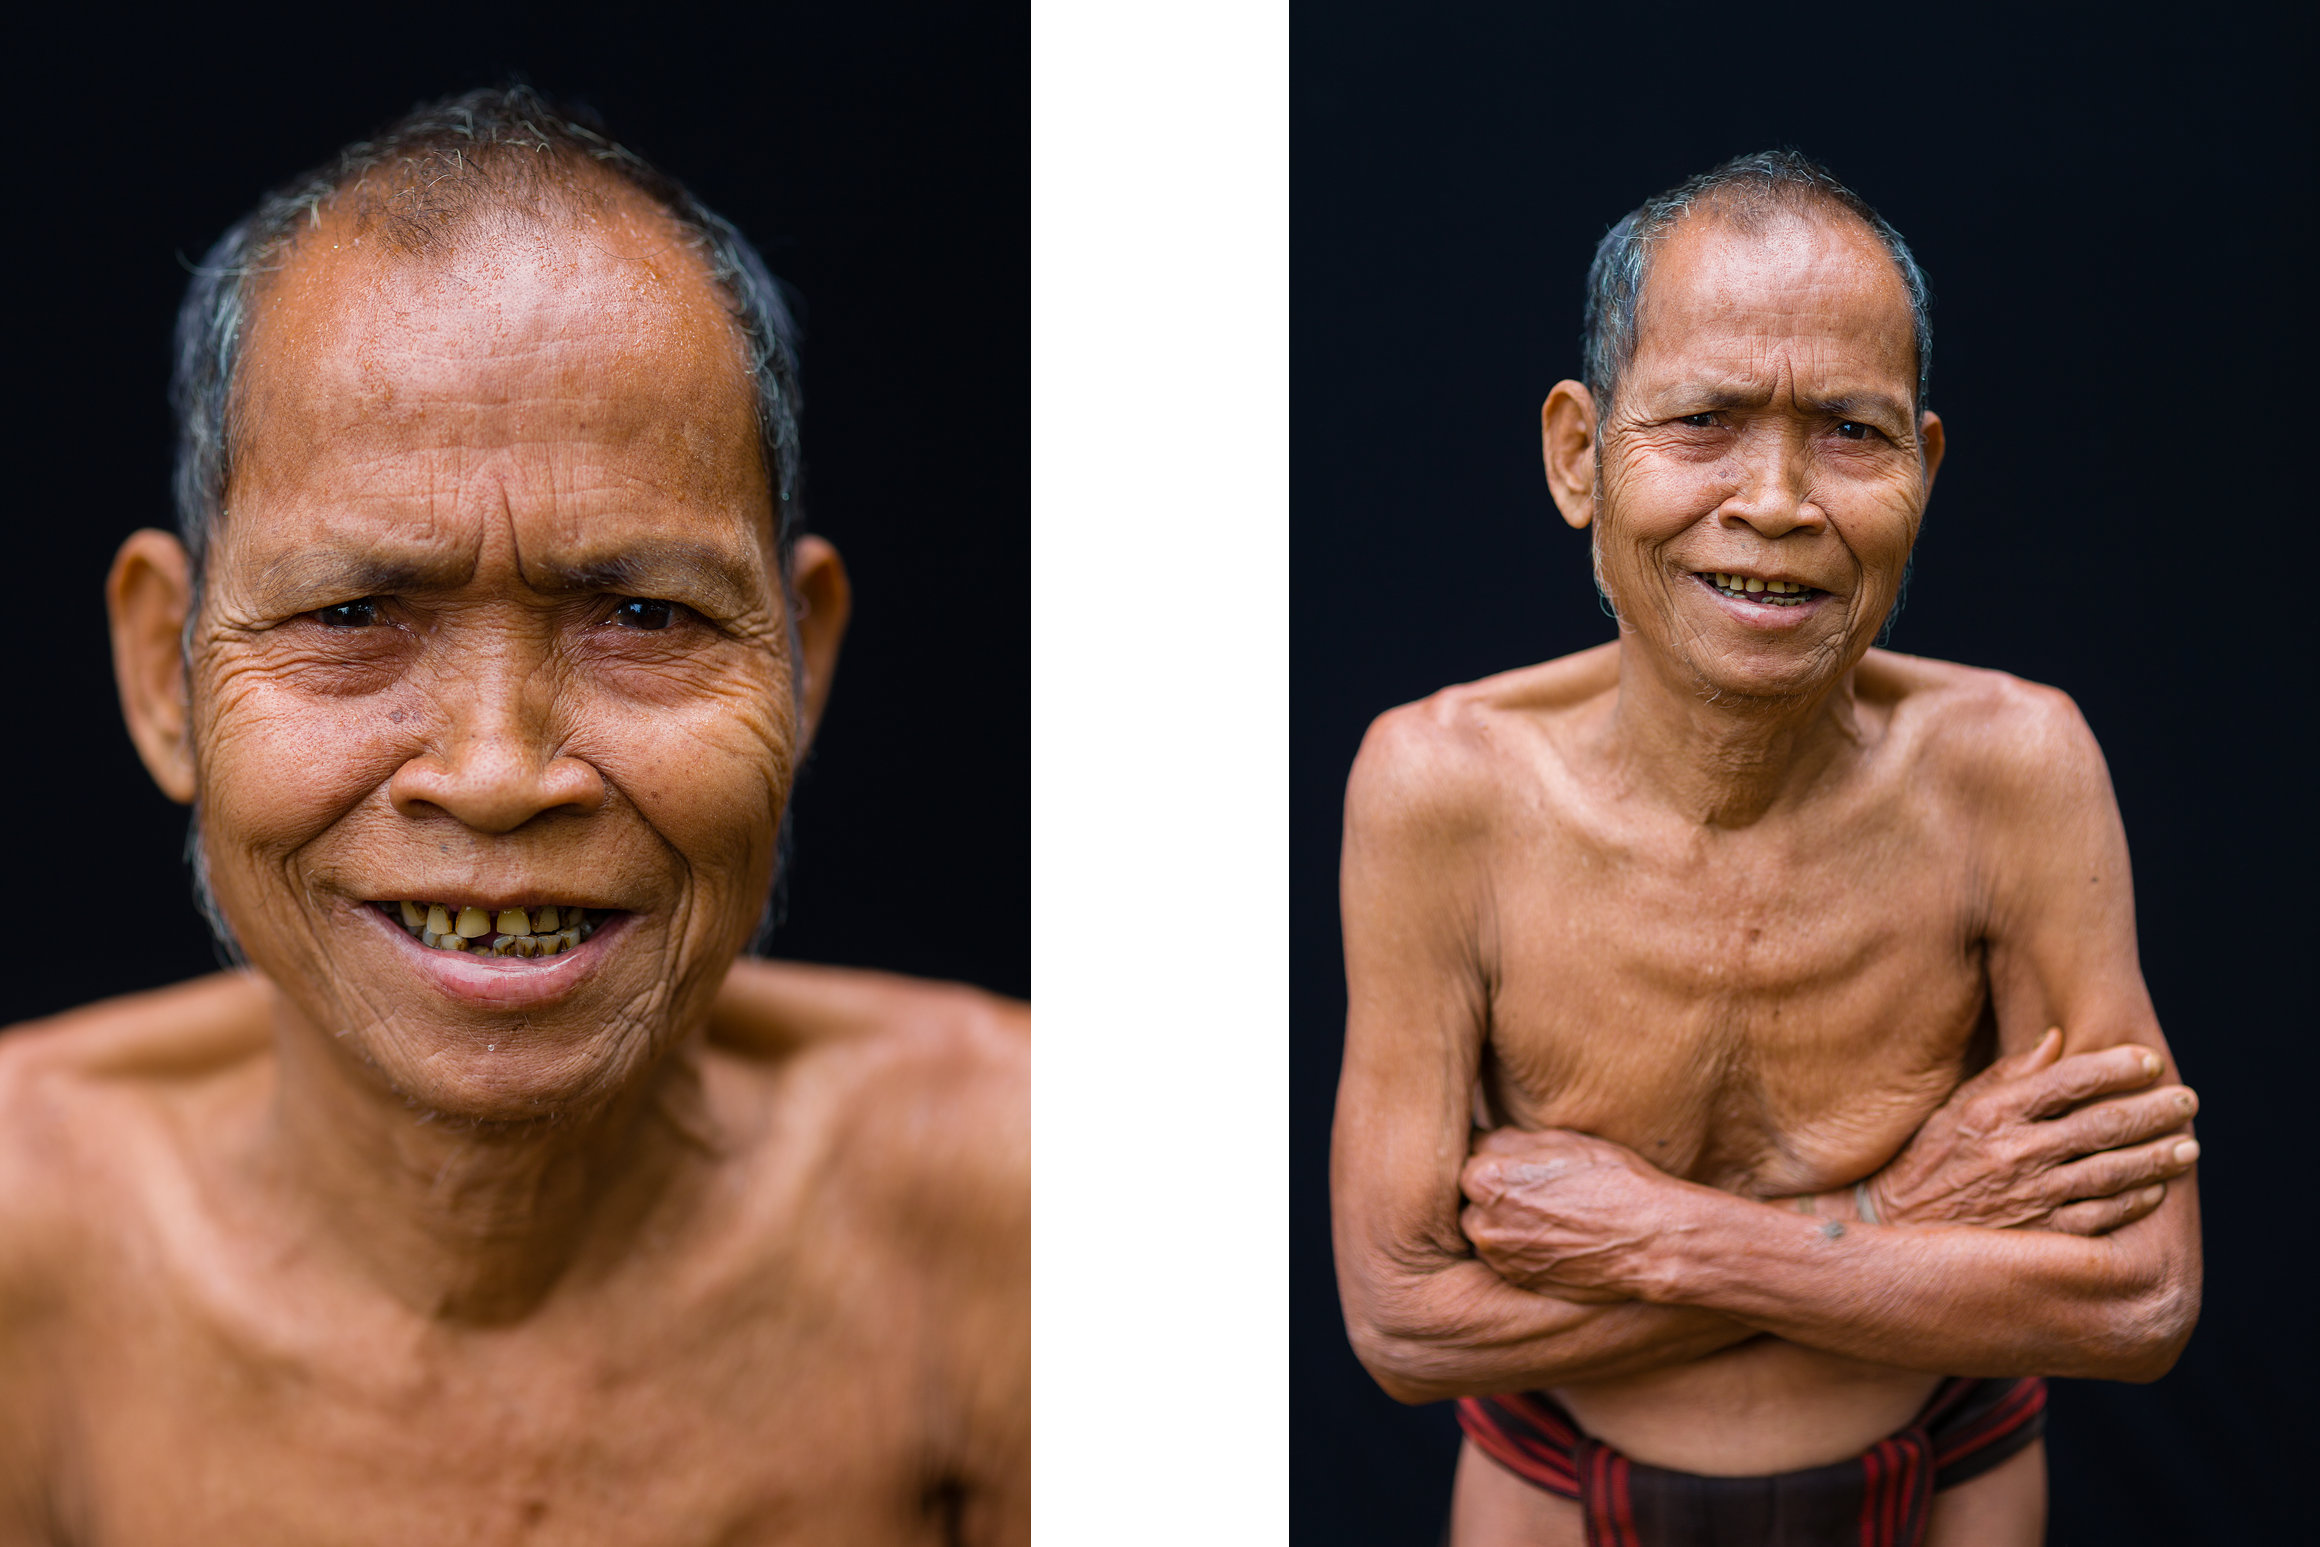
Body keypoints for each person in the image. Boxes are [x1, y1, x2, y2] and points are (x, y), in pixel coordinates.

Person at [0, 88, 1025, 1545]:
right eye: (353, 613)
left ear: (802, 666)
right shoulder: (24, 1259)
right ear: (165, 672)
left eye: (644, 614)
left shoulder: (1031, 1219)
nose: (494, 772)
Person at [1331, 152, 2200, 1547]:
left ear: (1923, 468)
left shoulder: (2016, 770)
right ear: (1578, 455)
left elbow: (2141, 1296)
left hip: (1947, 1477)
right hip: (1556, 1491)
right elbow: (1405, 1323)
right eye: (1706, 421)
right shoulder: (1442, 788)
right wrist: (1907, 1218)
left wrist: (1675, 1241)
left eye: (1851, 434)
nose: (1781, 500)